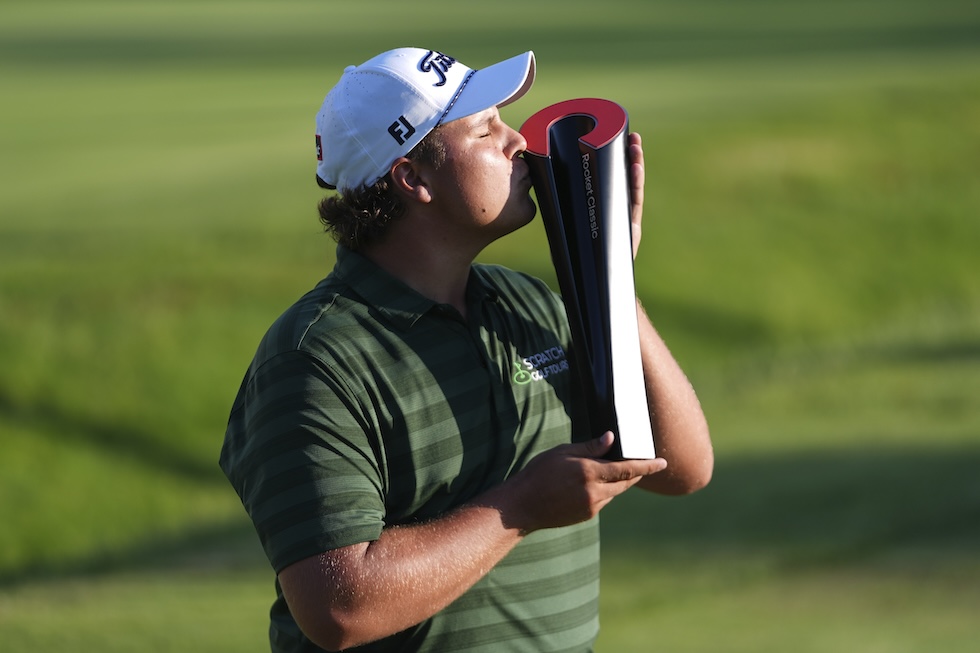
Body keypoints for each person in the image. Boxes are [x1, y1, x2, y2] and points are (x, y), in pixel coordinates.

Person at [220, 47, 713, 653]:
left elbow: (681, 468)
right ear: (413, 179)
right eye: (486, 129)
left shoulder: (525, 303)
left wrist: (611, 274)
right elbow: (339, 607)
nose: (519, 143)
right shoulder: (315, 360)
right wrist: (520, 507)